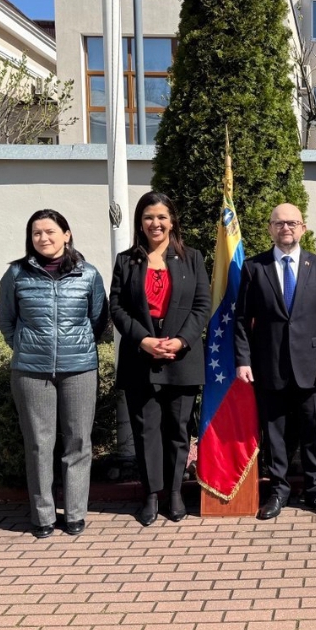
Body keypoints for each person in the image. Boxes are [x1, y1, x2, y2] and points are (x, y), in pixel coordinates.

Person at [0, 209, 107, 539]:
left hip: (79, 370)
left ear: (67, 234)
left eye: (50, 231)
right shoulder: (16, 274)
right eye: (36, 233)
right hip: (31, 372)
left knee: (77, 442)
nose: (43, 238)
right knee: (39, 445)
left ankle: (74, 514)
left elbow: (98, 321)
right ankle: (43, 516)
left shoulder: (88, 274)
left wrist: (78, 347)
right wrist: (26, 348)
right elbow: (6, 320)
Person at [234, 203, 316, 520]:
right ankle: (279, 491)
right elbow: (242, 320)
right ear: (270, 228)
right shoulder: (254, 268)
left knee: (312, 432)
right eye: (279, 223)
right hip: (269, 365)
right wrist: (244, 360)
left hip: (312, 365)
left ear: (303, 228)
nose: (286, 228)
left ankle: (315, 491)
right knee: (275, 433)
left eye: (292, 223)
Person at [110, 192, 211, 527]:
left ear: (172, 221)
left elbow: (202, 306)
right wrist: (145, 340)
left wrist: (181, 341)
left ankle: (176, 493)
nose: (156, 223)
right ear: (140, 222)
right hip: (142, 358)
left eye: (162, 217)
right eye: (149, 217)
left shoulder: (193, 258)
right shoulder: (127, 261)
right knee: (146, 430)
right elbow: (117, 308)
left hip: (182, 359)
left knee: (178, 430)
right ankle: (151, 495)